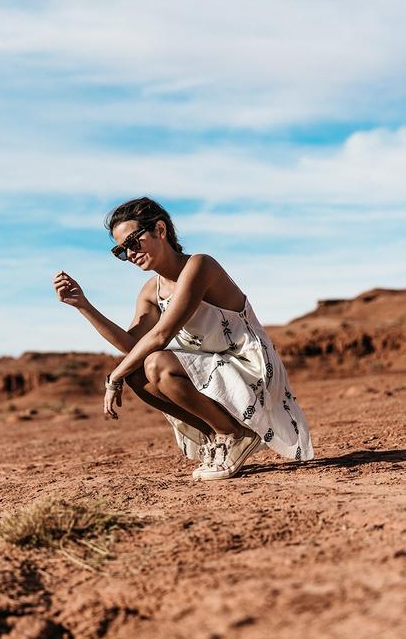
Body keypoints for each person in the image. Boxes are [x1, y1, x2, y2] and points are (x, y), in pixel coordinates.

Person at [53, 197, 313, 481]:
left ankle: (233, 434)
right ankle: (217, 434)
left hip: (250, 369)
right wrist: (83, 306)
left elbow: (161, 336)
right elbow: (132, 346)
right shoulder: (151, 290)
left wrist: (113, 378)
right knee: (138, 373)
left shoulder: (200, 266)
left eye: (132, 242)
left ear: (160, 230)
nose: (130, 254)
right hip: (213, 370)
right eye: (121, 250)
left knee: (153, 364)